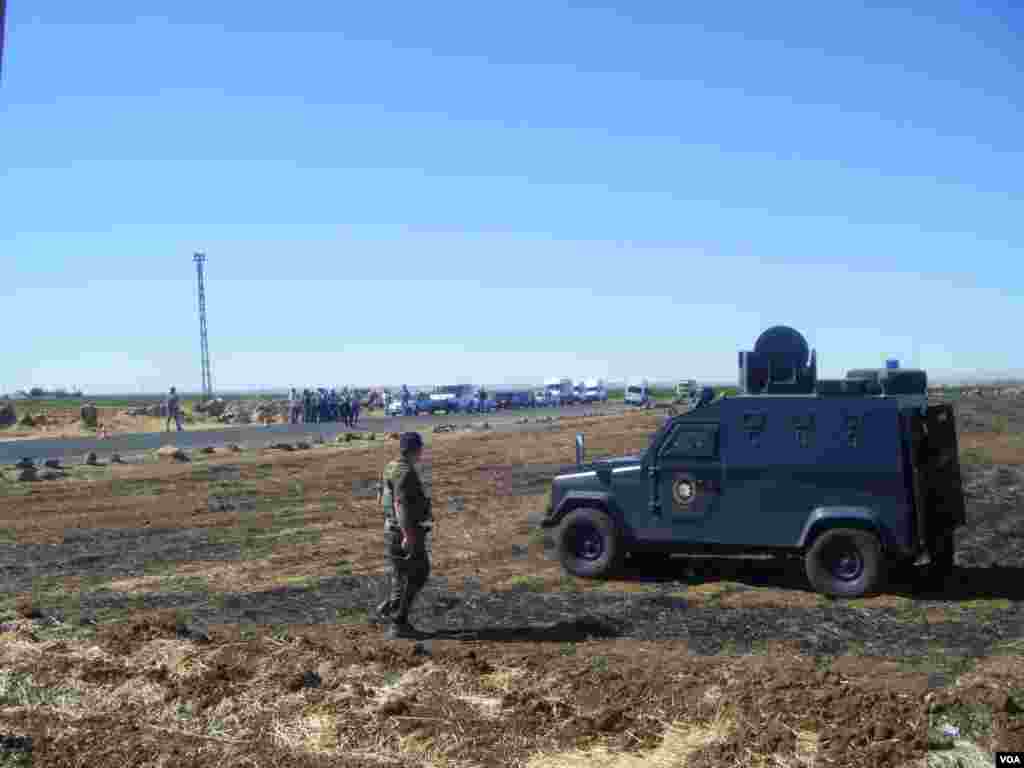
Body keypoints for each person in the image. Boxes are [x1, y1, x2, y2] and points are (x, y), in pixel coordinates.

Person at [376, 431, 432, 639]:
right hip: (403, 533)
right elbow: (400, 503)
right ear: (417, 449)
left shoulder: (390, 467)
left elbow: (381, 496)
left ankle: (392, 610)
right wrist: (408, 534)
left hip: (392, 529)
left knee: (402, 575)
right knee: (417, 573)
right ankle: (398, 621)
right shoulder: (406, 472)